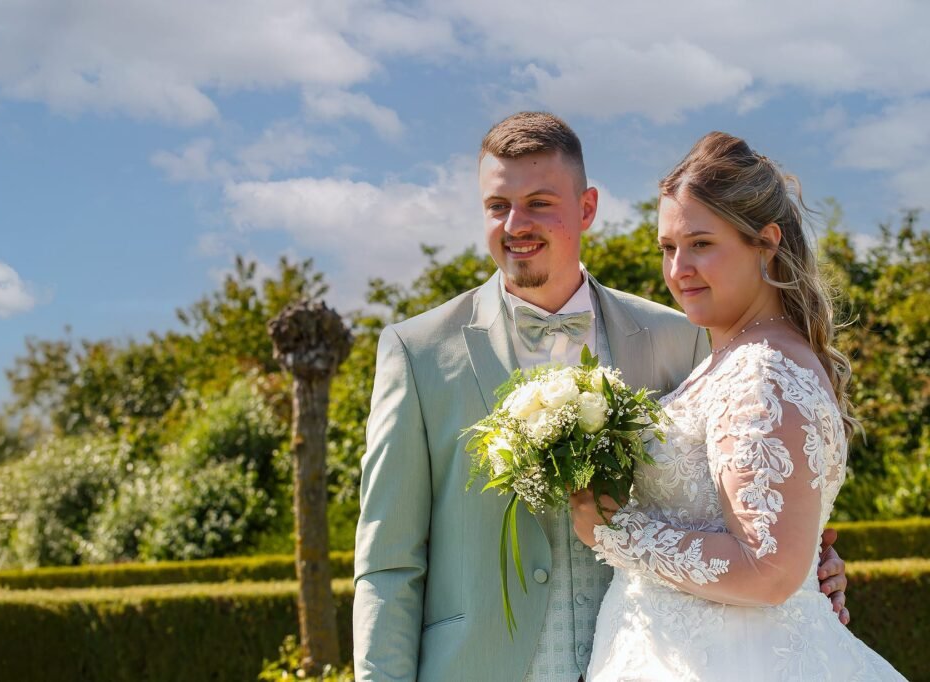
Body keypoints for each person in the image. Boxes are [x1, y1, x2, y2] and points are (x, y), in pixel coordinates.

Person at [353, 113, 848, 681]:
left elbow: (754, 498)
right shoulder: (417, 353)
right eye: (497, 205)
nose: (516, 224)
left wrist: (808, 565)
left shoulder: (683, 334)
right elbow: (388, 564)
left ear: (587, 208)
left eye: (539, 203)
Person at [572, 131, 901, 680]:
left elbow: (769, 571)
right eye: (667, 248)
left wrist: (612, 532)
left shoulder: (763, 370)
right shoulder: (733, 358)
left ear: (766, 243)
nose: (678, 269)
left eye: (701, 243)